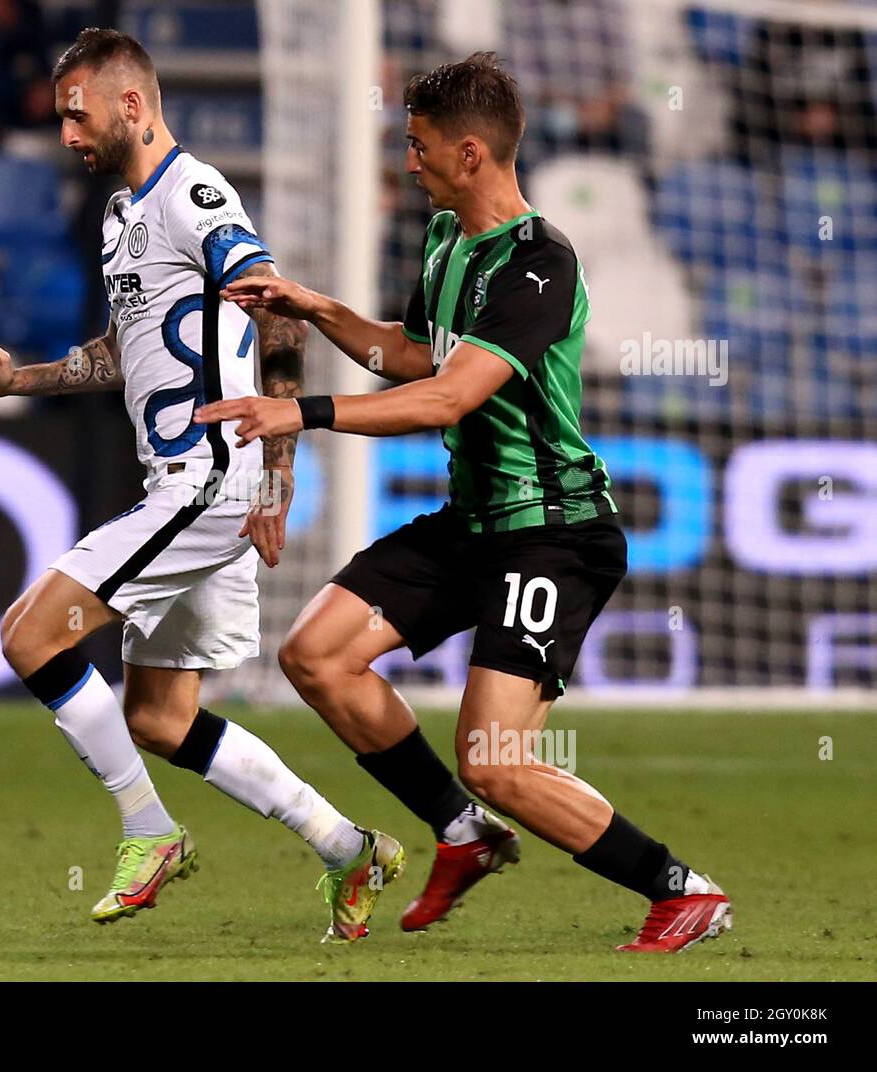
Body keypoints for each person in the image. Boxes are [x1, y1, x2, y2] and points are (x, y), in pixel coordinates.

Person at [196, 52, 731, 953]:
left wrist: (303, 409)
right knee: (318, 655)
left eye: (418, 145)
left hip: (553, 534)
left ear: (472, 151)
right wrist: (317, 306)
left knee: (495, 758)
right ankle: (462, 832)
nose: (408, 161)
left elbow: (448, 398)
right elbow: (412, 359)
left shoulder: (538, 265)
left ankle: (681, 889)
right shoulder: (447, 243)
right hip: (475, 523)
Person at [0, 28, 403, 942]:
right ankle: (349, 847)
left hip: (207, 483)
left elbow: (279, 311)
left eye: (76, 114)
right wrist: (17, 379)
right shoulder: (123, 216)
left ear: (132, 105)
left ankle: (150, 832)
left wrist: (277, 477)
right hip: (189, 487)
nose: (65, 133)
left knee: (28, 637)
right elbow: (125, 353)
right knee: (158, 717)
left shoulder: (197, 195)